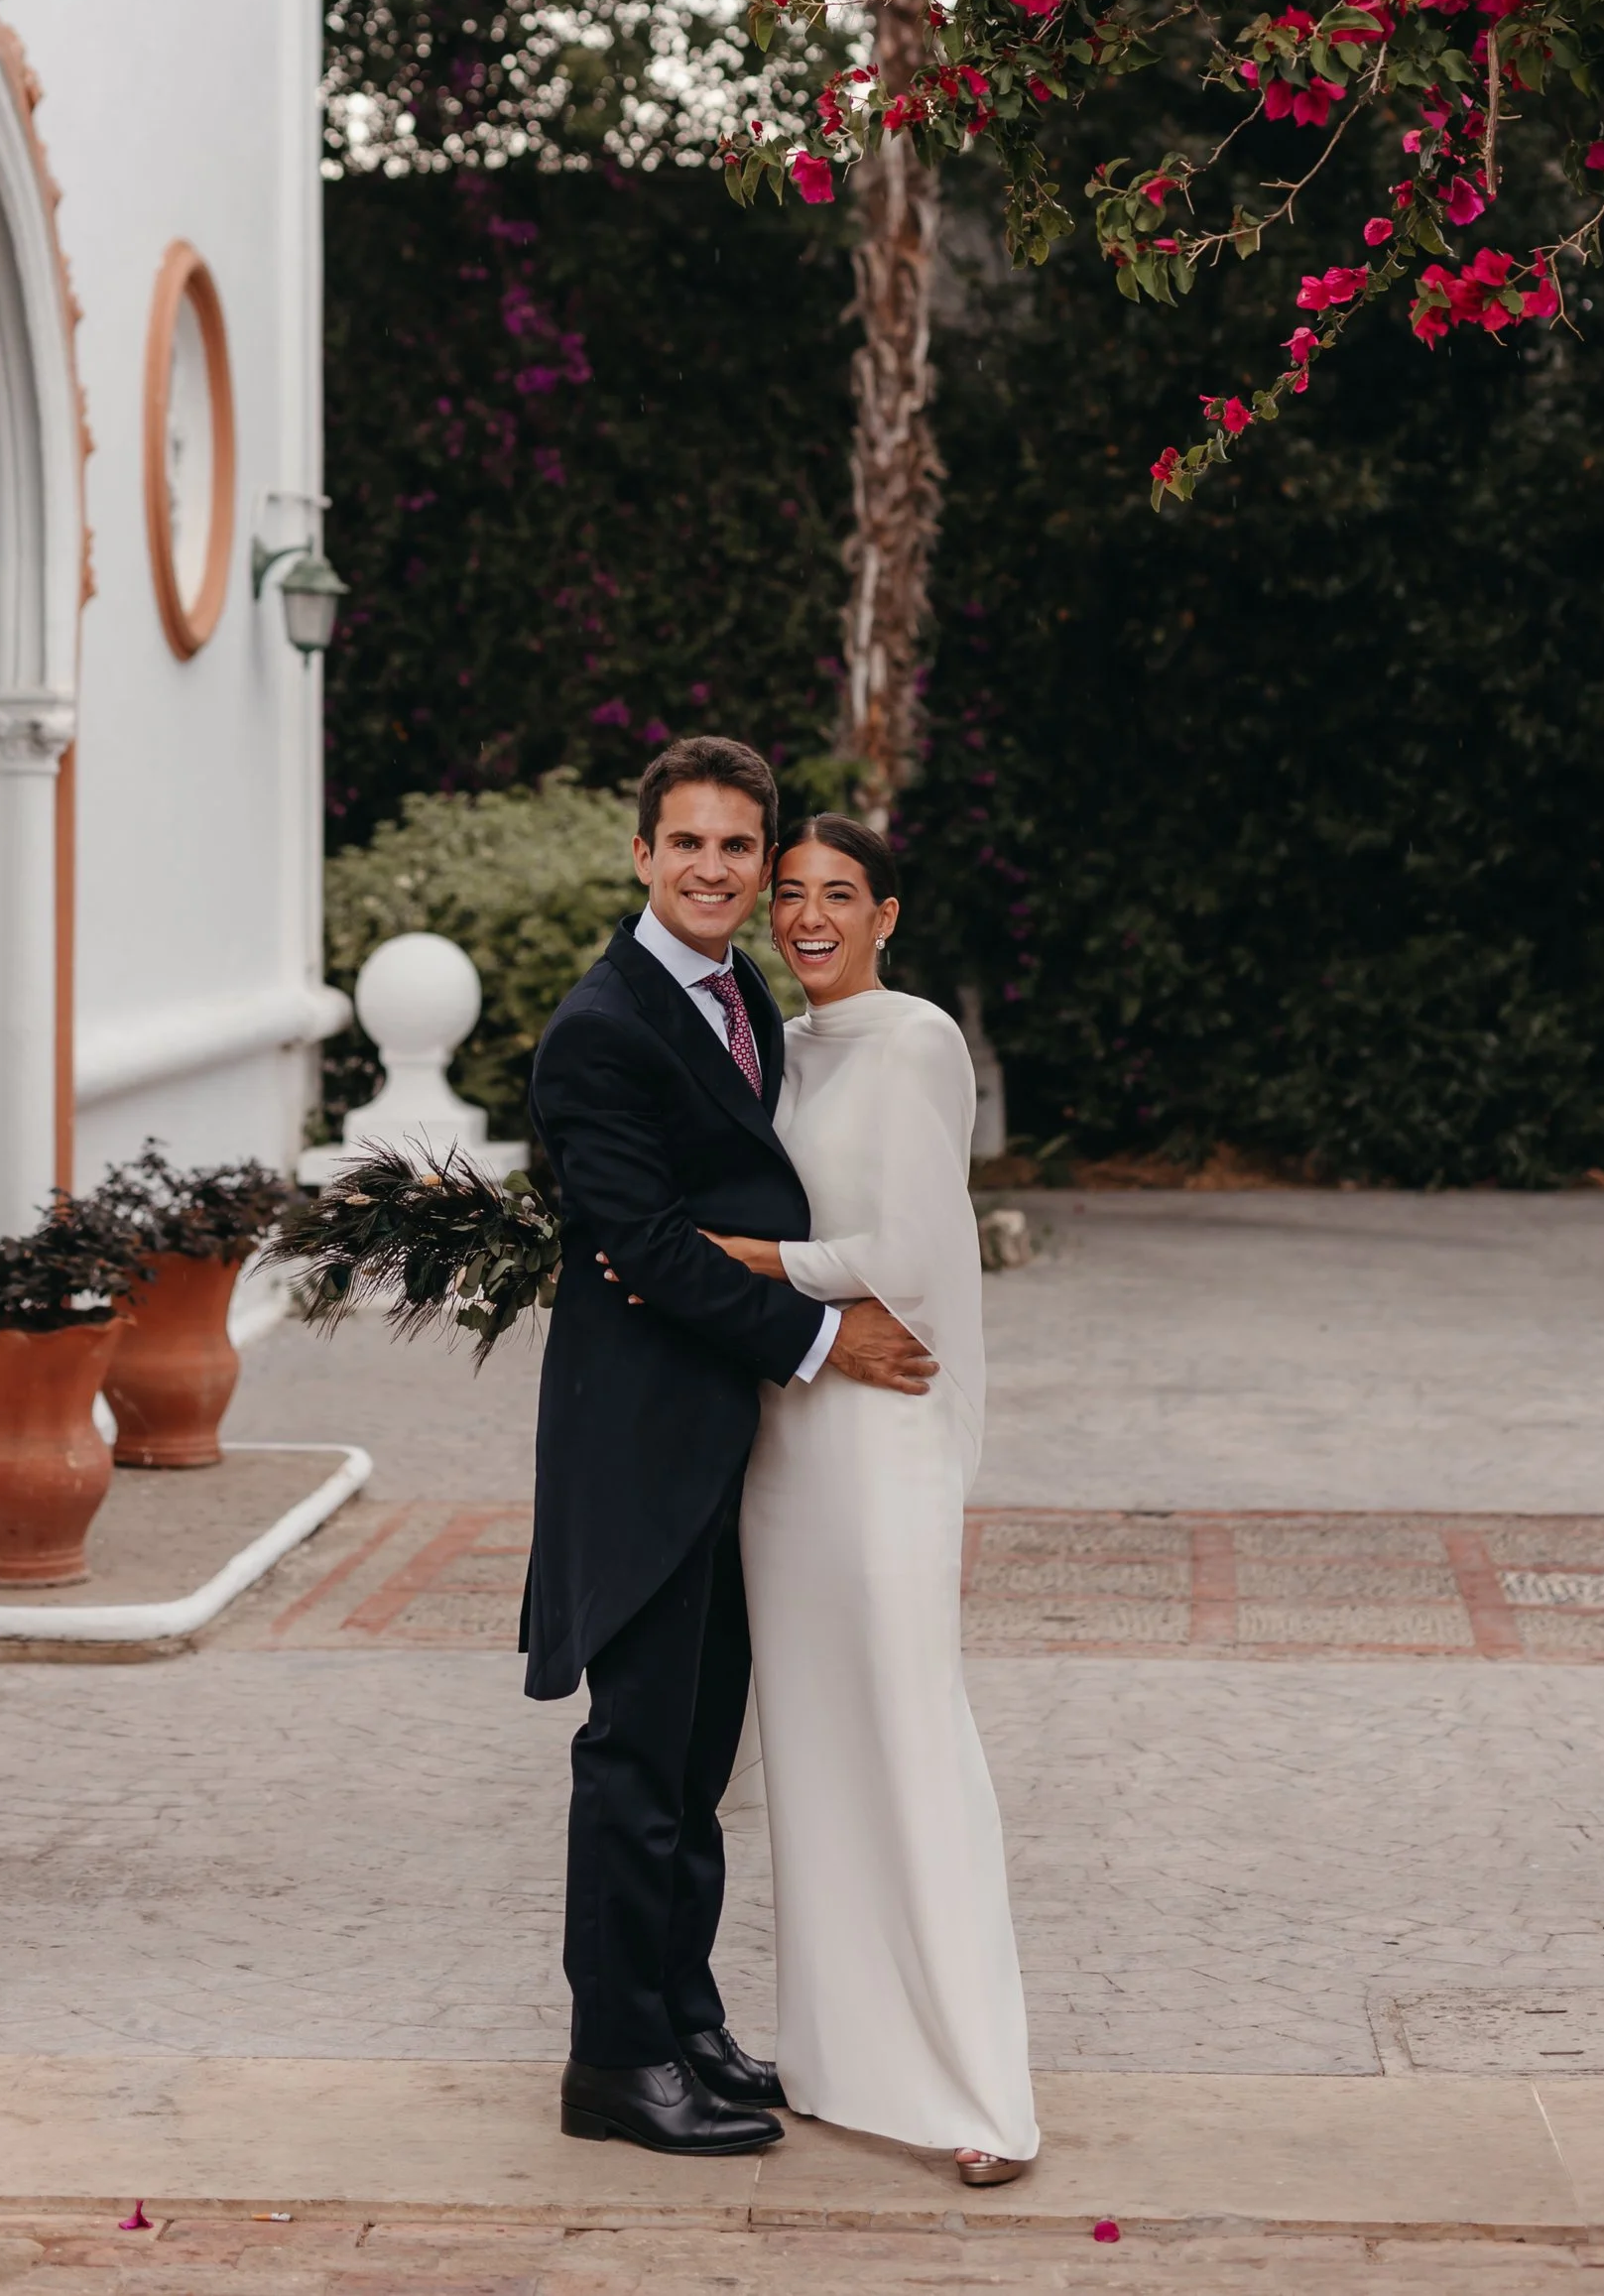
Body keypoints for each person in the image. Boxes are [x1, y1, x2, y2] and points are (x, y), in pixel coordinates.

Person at [522, 736, 939, 2159]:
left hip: (720, 1441)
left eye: (736, 848)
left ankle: (684, 2016)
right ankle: (615, 2062)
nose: (713, 868)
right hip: (639, 1443)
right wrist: (827, 1340)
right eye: (686, 842)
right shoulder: (603, 1024)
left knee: (696, 1766)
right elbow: (638, 1245)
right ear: (641, 853)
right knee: (634, 1762)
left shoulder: (738, 989)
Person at [708, 811, 1039, 2186]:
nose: (808, 914)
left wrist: (739, 1257)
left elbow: (904, 1247)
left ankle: (979, 2087)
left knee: (912, 1731)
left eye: (840, 893)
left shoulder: (913, 1037)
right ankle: (842, 2058)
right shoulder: (780, 1048)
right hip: (789, 1445)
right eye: (790, 893)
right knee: (818, 1750)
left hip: (886, 1432)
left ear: (888, 913)